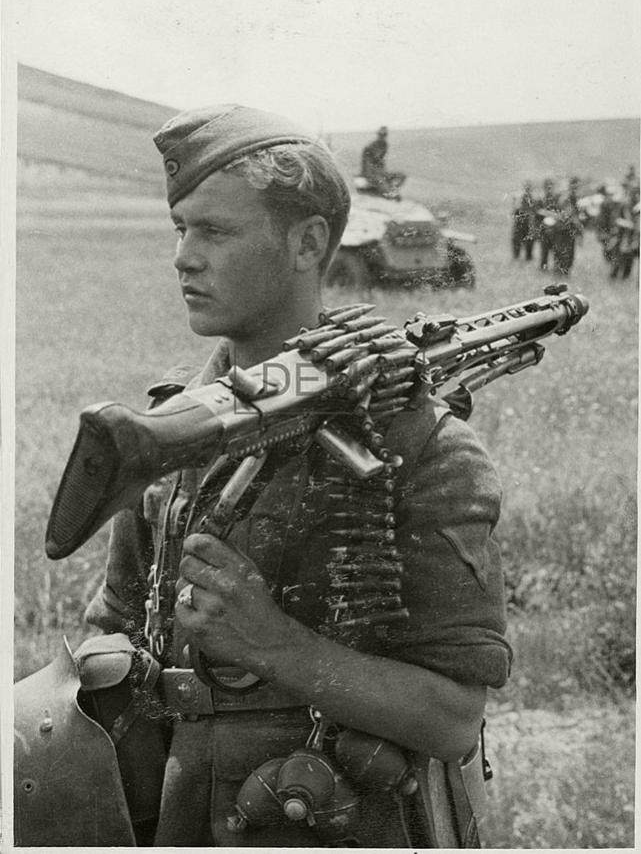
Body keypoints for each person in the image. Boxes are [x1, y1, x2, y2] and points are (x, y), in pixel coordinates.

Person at [15, 105, 511, 848]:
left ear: (307, 242)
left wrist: (274, 646)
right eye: (180, 229)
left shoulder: (421, 445)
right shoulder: (169, 431)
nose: (183, 257)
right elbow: (116, 628)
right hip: (172, 816)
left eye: (214, 231)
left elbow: (451, 718)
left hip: (328, 820)